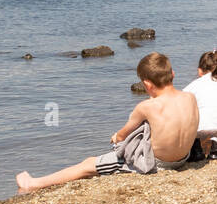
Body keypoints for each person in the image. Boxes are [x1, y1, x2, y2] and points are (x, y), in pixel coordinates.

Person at [15, 52, 199, 193]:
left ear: (147, 85)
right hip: (182, 158)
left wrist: (117, 137)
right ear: (172, 74)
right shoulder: (190, 98)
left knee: (88, 165)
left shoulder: (147, 106)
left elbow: (122, 134)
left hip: (157, 164)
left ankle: (34, 183)